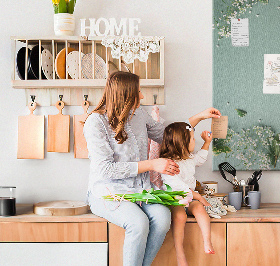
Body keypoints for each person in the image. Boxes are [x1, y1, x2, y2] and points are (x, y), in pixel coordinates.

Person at [83, 71, 221, 266]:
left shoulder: (139, 114)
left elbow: (169, 135)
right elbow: (105, 169)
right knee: (138, 224)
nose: (142, 96)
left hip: (142, 191)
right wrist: (152, 164)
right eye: (138, 91)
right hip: (108, 193)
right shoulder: (96, 123)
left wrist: (200, 116)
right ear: (126, 95)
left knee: (163, 219)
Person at [159, 122, 215, 266]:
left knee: (200, 210)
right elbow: (177, 187)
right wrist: (199, 196)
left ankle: (207, 241)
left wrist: (207, 143)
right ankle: (180, 253)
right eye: (192, 138)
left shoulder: (189, 158)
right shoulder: (168, 163)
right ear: (181, 143)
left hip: (190, 198)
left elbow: (201, 159)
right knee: (180, 216)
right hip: (175, 198)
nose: (194, 141)